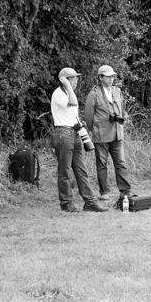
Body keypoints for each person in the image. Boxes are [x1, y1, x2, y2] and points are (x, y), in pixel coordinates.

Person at [50, 68, 108, 213]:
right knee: (65, 170)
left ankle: (90, 201)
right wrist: (68, 86)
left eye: (76, 78)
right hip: (63, 134)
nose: (76, 81)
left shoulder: (68, 92)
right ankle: (66, 203)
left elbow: (73, 115)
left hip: (74, 133)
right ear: (65, 80)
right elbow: (73, 102)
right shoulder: (58, 94)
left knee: (81, 170)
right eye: (73, 78)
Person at [84, 65, 133, 201]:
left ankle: (125, 191)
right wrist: (94, 130)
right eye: (108, 76)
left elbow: (122, 109)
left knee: (121, 163)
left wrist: (124, 116)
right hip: (101, 135)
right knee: (102, 164)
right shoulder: (93, 94)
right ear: (100, 77)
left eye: (112, 76)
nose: (111, 79)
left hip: (117, 133)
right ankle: (104, 192)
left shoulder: (117, 91)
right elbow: (88, 117)